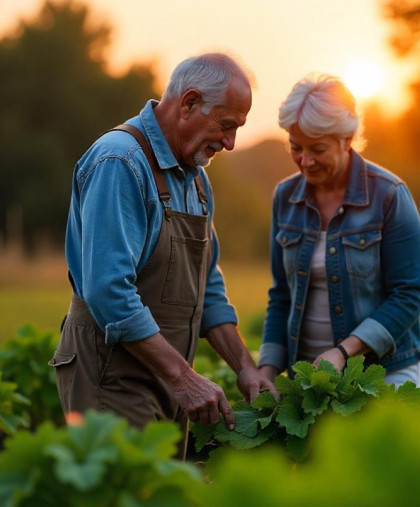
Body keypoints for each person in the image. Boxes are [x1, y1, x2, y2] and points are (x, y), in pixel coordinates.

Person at [50, 53, 277, 457]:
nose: (230, 142)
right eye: (226, 126)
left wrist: (244, 364)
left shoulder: (197, 179)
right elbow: (108, 292)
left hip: (166, 377)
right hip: (112, 377)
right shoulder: (119, 161)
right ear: (188, 103)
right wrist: (185, 379)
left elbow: (207, 287)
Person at [258, 74, 420, 388]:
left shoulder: (389, 195)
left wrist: (343, 353)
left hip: (383, 372)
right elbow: (281, 295)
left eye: (317, 149)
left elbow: (408, 295)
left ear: (346, 140)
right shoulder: (285, 197)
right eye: (296, 148)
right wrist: (266, 371)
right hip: (307, 379)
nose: (305, 161)